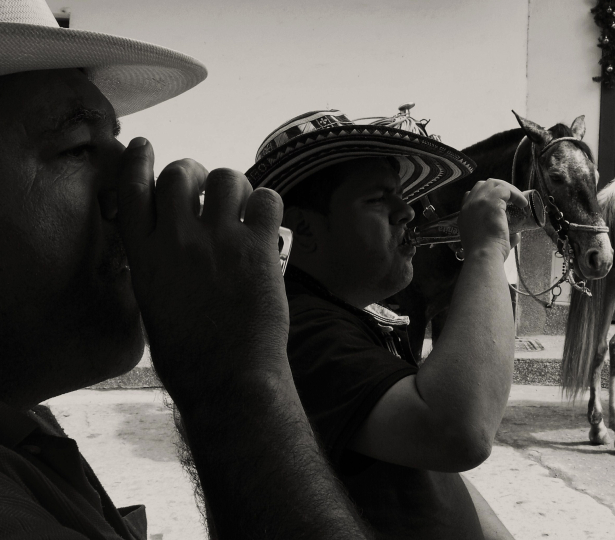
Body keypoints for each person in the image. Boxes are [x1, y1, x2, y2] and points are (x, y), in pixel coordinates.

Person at [0, 1, 371, 537]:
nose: (135, 188)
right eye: (78, 149)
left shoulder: (24, 422)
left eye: (118, 141)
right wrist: (234, 384)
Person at [245, 109, 521, 539]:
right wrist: (486, 249)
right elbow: (458, 431)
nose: (408, 213)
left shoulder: (354, 316)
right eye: (377, 199)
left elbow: (425, 467)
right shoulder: (299, 330)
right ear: (303, 228)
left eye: (401, 195)